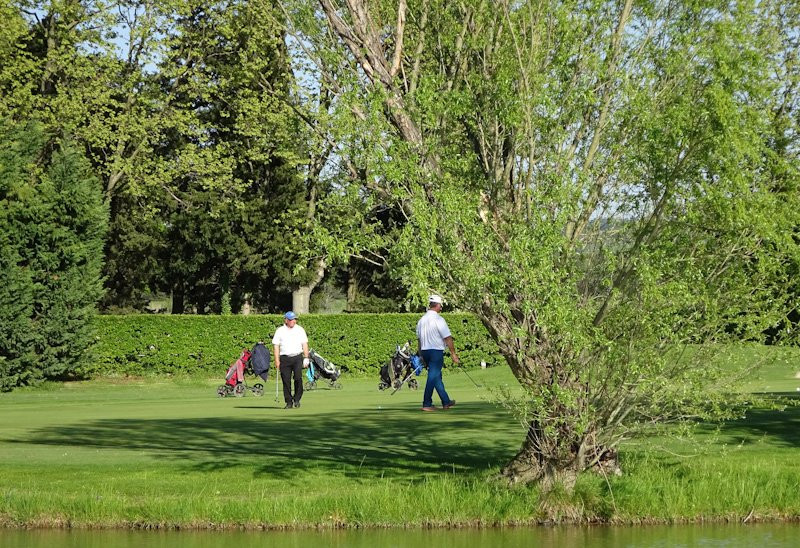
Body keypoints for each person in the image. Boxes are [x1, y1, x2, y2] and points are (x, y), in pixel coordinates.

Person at [416, 294, 459, 411]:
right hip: (436, 352)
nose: (441, 308)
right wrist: (453, 354)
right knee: (432, 377)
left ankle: (446, 401)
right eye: (441, 305)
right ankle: (427, 404)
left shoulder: (421, 320)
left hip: (425, 351)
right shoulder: (439, 319)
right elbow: (448, 338)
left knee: (436, 377)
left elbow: (419, 340)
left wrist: (420, 355)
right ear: (438, 305)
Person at [272, 311, 310, 409]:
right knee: (286, 380)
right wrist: (277, 360)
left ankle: (297, 399)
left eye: (294, 319)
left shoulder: (300, 330)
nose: (293, 321)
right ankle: (288, 402)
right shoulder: (280, 330)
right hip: (284, 358)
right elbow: (276, 346)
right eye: (291, 319)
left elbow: (304, 344)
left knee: (298, 378)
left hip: (297, 357)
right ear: (286, 320)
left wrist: (306, 357)